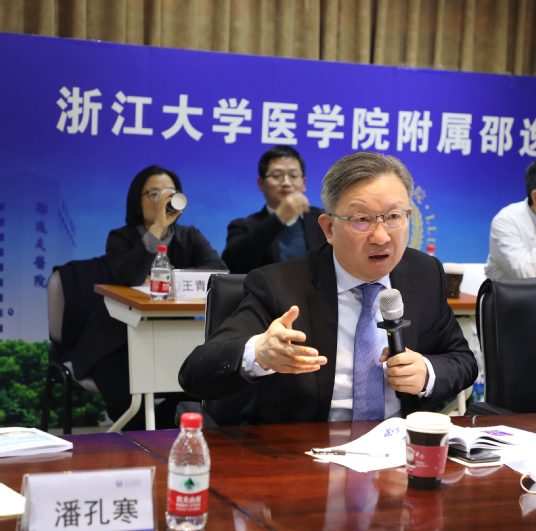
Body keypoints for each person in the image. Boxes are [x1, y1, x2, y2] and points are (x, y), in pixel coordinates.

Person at [179, 152, 478, 424]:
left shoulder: (424, 274)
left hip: (399, 450)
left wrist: (427, 372)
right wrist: (258, 353)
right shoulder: (279, 285)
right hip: (306, 453)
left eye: (394, 217)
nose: (381, 236)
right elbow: (195, 373)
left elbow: (462, 361)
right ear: (329, 228)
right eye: (362, 220)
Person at [71, 165, 226, 430]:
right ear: (137, 201)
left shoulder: (190, 236)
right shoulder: (120, 237)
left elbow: (218, 273)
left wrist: (171, 277)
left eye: (169, 194)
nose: (163, 201)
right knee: (127, 403)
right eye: (154, 194)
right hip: (116, 340)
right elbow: (128, 276)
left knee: (195, 392)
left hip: (172, 336)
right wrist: (156, 229)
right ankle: (142, 441)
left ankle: (161, 438)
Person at [222, 146, 327, 274]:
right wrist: (278, 218)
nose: (286, 183)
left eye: (293, 176)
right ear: (261, 183)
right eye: (277, 176)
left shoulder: (323, 220)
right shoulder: (243, 226)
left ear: (303, 183)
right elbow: (233, 264)